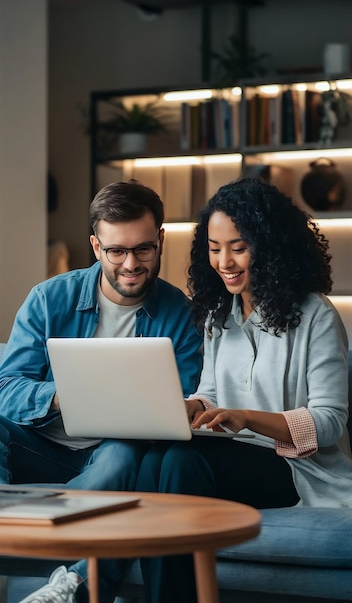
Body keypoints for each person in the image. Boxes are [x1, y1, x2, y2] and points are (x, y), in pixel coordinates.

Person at [133, 177, 352, 603]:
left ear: (269, 245)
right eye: (214, 248)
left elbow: (329, 422)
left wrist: (247, 418)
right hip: (234, 457)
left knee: (179, 464)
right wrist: (180, 407)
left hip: (295, 470)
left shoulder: (316, 316)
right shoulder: (219, 317)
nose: (224, 261)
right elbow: (210, 395)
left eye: (238, 246)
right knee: (160, 453)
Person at [0, 180, 203, 603]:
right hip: (41, 447)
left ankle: (74, 585)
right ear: (96, 246)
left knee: (123, 452)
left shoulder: (181, 315)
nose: (130, 263)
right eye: (116, 251)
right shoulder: (48, 299)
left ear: (161, 240)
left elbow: (179, 404)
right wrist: (63, 396)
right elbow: (6, 387)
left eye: (144, 249)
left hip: (114, 455)